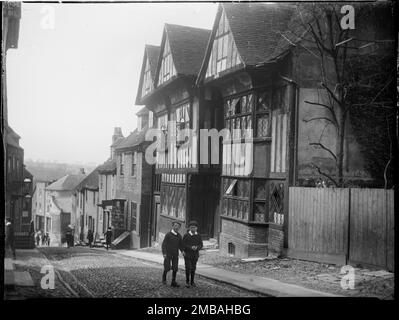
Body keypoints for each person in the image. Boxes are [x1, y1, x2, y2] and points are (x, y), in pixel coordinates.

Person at [161, 221, 184, 287]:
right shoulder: (168, 234)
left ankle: (173, 281)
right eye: (175, 226)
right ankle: (164, 279)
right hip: (168, 254)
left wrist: (182, 251)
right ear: (173, 226)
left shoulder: (179, 236)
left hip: (175, 255)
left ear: (179, 228)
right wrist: (164, 253)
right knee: (167, 267)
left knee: (175, 268)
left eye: (178, 226)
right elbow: (164, 245)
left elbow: (181, 245)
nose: (177, 227)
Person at [182, 221, 203, 288]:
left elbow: (201, 245)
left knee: (193, 268)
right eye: (191, 227)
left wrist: (197, 247)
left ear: (196, 228)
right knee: (188, 268)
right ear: (189, 228)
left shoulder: (198, 235)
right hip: (188, 255)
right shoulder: (186, 235)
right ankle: (187, 282)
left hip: (195, 255)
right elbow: (183, 245)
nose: (193, 229)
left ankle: (192, 281)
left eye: (194, 227)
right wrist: (191, 247)